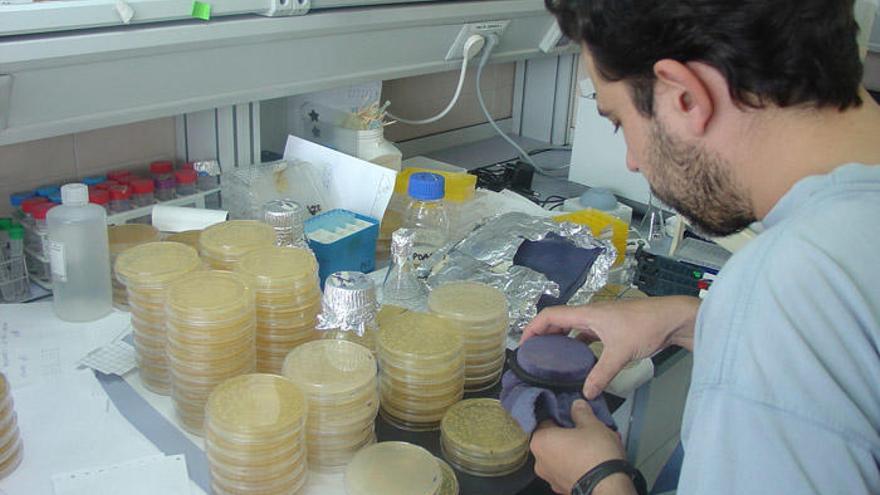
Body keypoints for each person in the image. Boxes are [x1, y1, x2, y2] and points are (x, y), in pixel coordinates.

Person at [523, 1, 880, 494]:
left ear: (685, 97)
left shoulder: (793, 284)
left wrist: (598, 481)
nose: (629, 160)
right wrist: (695, 320)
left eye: (618, 120)